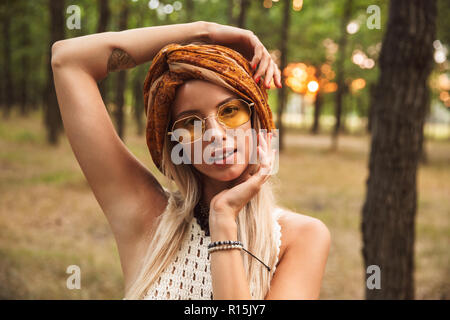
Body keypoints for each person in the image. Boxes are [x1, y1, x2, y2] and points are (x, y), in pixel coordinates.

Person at [51, 21, 330, 300]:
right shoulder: (147, 216)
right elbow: (68, 60)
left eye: (230, 111)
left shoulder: (300, 238)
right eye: (191, 123)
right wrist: (205, 32)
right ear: (177, 144)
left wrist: (223, 219)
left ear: (257, 120)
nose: (216, 135)